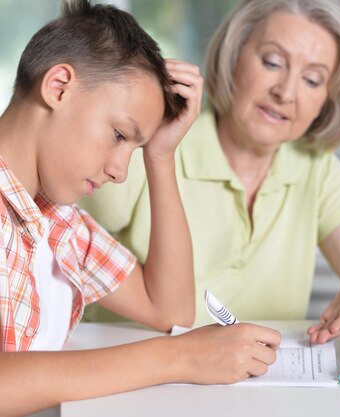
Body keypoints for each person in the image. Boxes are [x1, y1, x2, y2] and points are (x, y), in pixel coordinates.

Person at [0, 2, 280, 415]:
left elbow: (168, 307)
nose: (119, 171)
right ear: (58, 86)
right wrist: (179, 358)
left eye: (135, 148)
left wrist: (161, 156)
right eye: (118, 134)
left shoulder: (58, 222)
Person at [79, 0, 340, 344]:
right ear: (234, 55)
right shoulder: (152, 143)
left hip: (261, 387)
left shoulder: (316, 169)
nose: (285, 92)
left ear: (327, 100)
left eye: (312, 80)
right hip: (135, 378)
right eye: (272, 62)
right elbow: (60, 244)